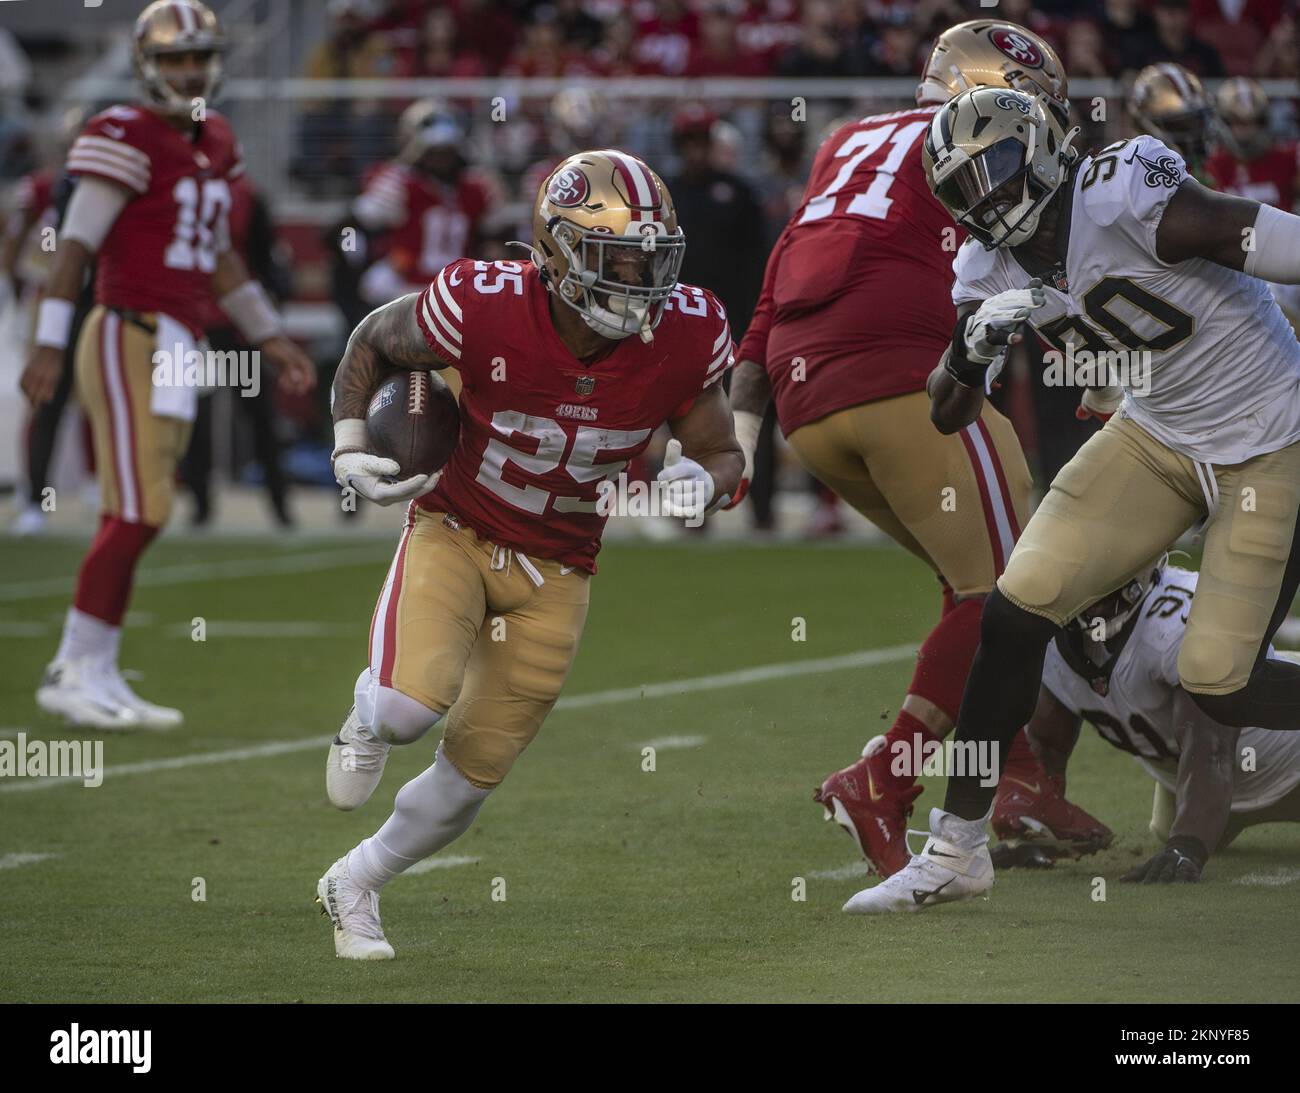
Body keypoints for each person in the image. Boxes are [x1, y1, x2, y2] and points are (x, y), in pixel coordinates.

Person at [847, 82, 1300, 913]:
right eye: (967, 191)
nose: (990, 201)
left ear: (1049, 147)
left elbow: (1263, 238)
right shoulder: (985, 266)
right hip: (1157, 435)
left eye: (1001, 171)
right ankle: (955, 851)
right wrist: (965, 348)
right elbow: (947, 412)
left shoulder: (1124, 192)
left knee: (1217, 679)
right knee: (1017, 609)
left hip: (1273, 438)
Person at [314, 150, 743, 959]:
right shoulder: (484, 301)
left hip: (562, 567)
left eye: (651, 257)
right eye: (615, 257)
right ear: (555, 252)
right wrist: (345, 447)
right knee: (408, 711)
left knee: (474, 774)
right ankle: (367, 711)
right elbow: (374, 337)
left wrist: (702, 482)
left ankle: (356, 881)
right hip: (458, 528)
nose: (638, 277)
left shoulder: (685, 328)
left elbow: (723, 451)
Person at [729, 20, 1104, 878]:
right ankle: (883, 783)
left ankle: (1009, 776)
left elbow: (782, 267)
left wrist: (744, 422)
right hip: (907, 378)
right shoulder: (982, 140)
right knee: (1013, 592)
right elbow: (1039, 262)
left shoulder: (852, 138)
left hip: (808, 398)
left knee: (972, 588)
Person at [19, 0, 314, 731]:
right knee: (139, 507)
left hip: (179, 339)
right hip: (126, 331)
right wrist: (49, 343)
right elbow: (74, 250)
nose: (189, 71)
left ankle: (99, 664)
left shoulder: (216, 136)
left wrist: (272, 338)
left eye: (198, 57)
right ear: (147, 64)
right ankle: (72, 667)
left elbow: (219, 258)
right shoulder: (122, 132)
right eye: (175, 58)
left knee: (149, 509)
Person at [1004, 563, 1300, 881]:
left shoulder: (1184, 616)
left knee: (1185, 835)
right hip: (1191, 784)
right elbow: (1046, 745)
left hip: (1289, 762)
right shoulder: (1047, 633)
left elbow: (1211, 750)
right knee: (1169, 829)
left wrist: (1185, 848)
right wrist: (1033, 831)